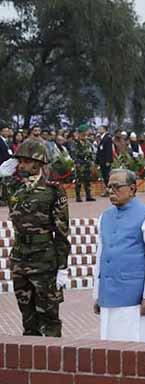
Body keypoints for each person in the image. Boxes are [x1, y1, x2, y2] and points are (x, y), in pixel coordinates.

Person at [0, 140, 70, 336]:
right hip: (20, 259)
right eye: (19, 161)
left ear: (38, 163)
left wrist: (62, 266)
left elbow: (62, 232)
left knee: (49, 319)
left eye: (25, 161)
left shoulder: (53, 190)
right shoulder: (14, 187)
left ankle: (55, 363)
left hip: (44, 261)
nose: (21, 165)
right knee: (28, 319)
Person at [92, 169, 145, 342]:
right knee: (110, 345)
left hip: (134, 295)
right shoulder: (105, 216)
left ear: (132, 189)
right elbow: (101, 254)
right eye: (109, 187)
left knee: (135, 346)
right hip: (108, 291)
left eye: (117, 187)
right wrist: (97, 293)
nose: (111, 191)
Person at [72, 124, 96, 202]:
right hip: (80, 163)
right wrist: (77, 162)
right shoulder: (75, 142)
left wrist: (92, 161)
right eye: (85, 131)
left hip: (87, 163)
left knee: (88, 180)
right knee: (78, 180)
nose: (87, 133)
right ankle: (78, 196)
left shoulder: (87, 142)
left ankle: (88, 195)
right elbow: (74, 153)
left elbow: (91, 152)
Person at [96, 125, 113, 197]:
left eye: (100, 128)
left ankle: (110, 190)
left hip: (105, 161)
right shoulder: (101, 138)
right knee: (104, 176)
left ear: (105, 130)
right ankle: (107, 190)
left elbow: (109, 150)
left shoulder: (107, 138)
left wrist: (108, 160)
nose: (99, 130)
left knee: (106, 176)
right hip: (102, 161)